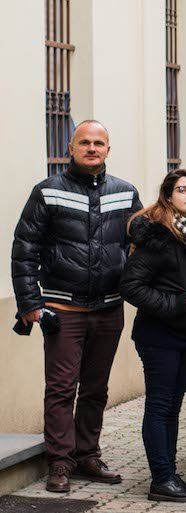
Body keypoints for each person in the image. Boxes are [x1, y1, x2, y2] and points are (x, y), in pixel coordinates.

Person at [12, 120, 142, 493]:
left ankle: (87, 455)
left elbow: (142, 245)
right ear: (71, 147)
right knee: (61, 388)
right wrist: (29, 303)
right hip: (62, 310)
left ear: (108, 149)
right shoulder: (47, 191)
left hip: (108, 309)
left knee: (96, 388)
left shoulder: (126, 192)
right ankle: (60, 462)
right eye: (84, 142)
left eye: (98, 142)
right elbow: (24, 249)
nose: (91, 148)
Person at [119, 169, 186, 502]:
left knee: (172, 407)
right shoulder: (159, 237)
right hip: (160, 335)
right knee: (160, 406)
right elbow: (131, 285)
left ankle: (168, 472)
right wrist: (174, 304)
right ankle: (162, 479)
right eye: (182, 190)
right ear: (167, 196)